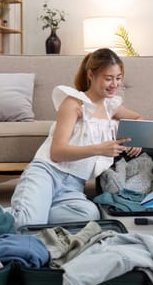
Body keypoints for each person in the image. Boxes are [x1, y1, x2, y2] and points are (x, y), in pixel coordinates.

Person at [8, 48, 143, 228]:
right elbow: (57, 152)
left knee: (90, 215)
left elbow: (139, 119)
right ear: (91, 75)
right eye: (108, 78)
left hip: (73, 186)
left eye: (118, 78)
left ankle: (29, 210)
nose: (114, 84)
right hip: (47, 172)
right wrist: (100, 149)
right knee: (26, 224)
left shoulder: (112, 106)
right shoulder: (74, 103)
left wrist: (137, 139)